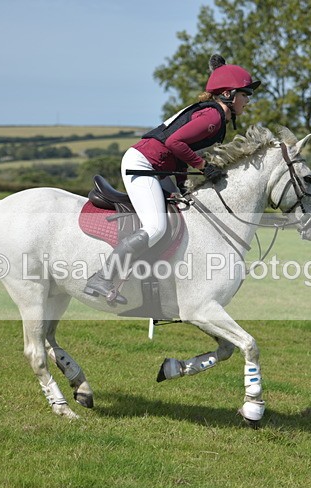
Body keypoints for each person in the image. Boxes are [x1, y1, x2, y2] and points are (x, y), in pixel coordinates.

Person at [84, 54, 260, 304]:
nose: (247, 101)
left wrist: (182, 185)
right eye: (245, 95)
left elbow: (178, 150)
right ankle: (102, 277)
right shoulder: (213, 118)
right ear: (229, 94)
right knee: (156, 227)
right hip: (144, 164)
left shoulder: (214, 115)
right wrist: (202, 166)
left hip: (159, 168)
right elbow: (174, 142)